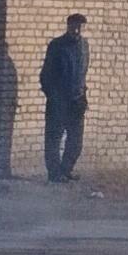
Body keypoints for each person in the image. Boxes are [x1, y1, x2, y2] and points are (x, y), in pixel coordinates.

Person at [40, 13, 90, 182]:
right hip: (58, 102)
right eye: (73, 26)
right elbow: (46, 75)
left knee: (76, 142)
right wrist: (53, 97)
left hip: (77, 101)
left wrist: (83, 94)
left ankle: (66, 170)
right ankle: (54, 174)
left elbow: (82, 73)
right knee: (54, 138)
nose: (76, 30)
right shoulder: (57, 46)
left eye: (80, 27)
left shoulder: (84, 46)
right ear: (68, 26)